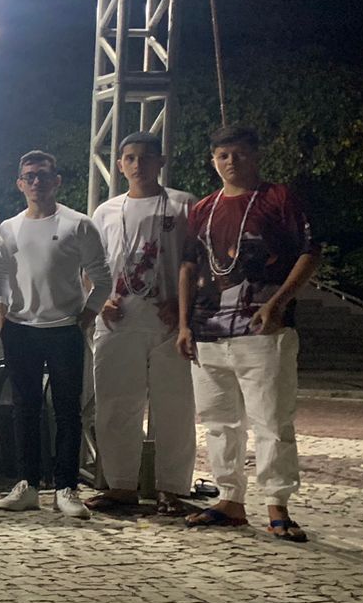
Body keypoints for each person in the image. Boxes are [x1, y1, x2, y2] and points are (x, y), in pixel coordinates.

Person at [177, 126, 320, 542]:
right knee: (218, 421)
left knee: (272, 420)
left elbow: (310, 252)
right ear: (213, 161)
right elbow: (188, 266)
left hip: (263, 330)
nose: (231, 162)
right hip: (207, 330)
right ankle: (230, 500)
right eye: (223, 155)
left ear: (256, 155)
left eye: (239, 153)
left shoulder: (278, 198)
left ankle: (277, 504)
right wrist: (184, 324)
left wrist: (278, 302)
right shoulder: (203, 208)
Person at [0, 150, 110, 519]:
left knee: (68, 410)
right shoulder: (8, 227)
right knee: (24, 408)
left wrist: (87, 315)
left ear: (56, 180)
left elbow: (103, 278)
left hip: (64, 329)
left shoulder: (78, 224)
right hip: (20, 329)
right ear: (20, 183)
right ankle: (27, 484)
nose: (36, 182)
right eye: (29, 176)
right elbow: (1, 275)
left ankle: (65, 487)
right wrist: (0, 309)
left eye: (43, 175)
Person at [88, 132, 197, 515]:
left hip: (169, 323)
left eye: (146, 157)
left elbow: (198, 262)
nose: (138, 165)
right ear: (120, 165)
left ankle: (172, 488)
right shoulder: (105, 211)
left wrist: (183, 305)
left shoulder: (183, 205)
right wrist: (100, 300)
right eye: (130, 158)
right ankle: (120, 485)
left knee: (175, 407)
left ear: (161, 161)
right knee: (116, 404)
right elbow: (91, 267)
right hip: (118, 322)